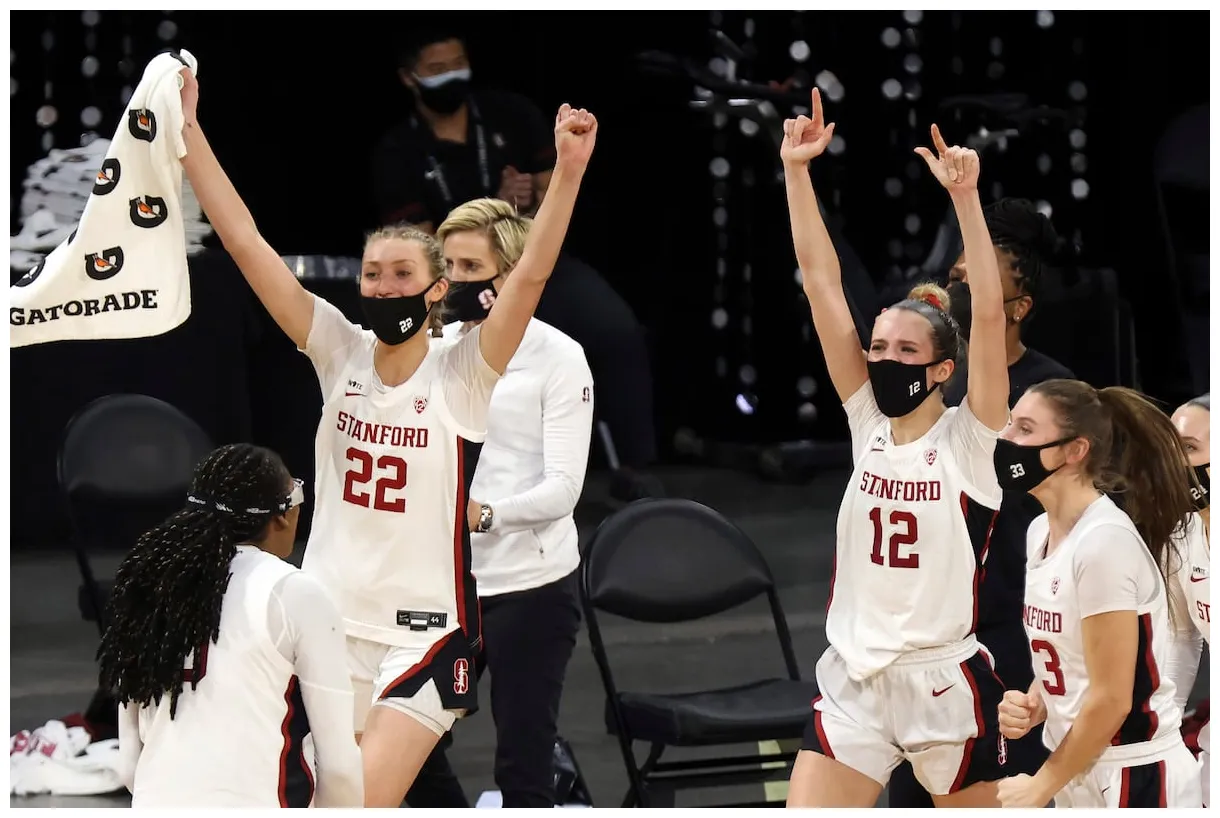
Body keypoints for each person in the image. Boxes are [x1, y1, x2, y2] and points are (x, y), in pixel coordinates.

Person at [175, 64, 598, 807]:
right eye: (373, 274)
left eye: (404, 272)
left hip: (423, 638)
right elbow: (245, 244)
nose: (384, 286)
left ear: (438, 288)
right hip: (329, 625)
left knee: (359, 803)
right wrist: (187, 132)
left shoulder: (462, 373)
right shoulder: (336, 348)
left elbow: (528, 277)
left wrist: (567, 171)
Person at [781, 90, 1010, 808]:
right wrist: (795, 170)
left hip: (941, 682)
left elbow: (992, 314)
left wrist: (967, 200)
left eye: (903, 350)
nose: (882, 360)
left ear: (943, 368)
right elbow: (822, 285)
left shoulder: (972, 440)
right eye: (876, 347)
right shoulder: (867, 423)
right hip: (854, 677)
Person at [370, 27, 661, 502]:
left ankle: (633, 465)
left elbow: (555, 198)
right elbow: (419, 244)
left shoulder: (511, 116)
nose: (452, 77)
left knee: (616, 329)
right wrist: (493, 214)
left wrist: (531, 199)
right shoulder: (398, 152)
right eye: (437, 70)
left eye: (458, 63)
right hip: (462, 281)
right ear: (409, 78)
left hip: (536, 263)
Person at [405, 197, 593, 808]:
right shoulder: (433, 349)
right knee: (409, 743)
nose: (451, 280)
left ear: (509, 275)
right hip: (441, 584)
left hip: (528, 587)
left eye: (466, 267)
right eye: (445, 264)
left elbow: (565, 489)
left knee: (523, 760)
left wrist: (483, 516)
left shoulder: (558, 358)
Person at [888, 198, 1075, 809]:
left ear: (1016, 307)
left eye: (981, 282)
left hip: (1008, 631)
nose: (959, 288)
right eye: (958, 277)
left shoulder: (1055, 398)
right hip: (918, 634)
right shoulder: (919, 383)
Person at [97, 443, 363, 807]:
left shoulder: (147, 587)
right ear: (281, 515)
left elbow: (130, 766)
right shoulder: (295, 592)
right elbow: (340, 768)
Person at [993, 380, 1203, 808]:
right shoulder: (1039, 532)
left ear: (1075, 451)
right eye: (1011, 425)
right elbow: (1076, 654)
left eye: (1025, 429)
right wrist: (1039, 699)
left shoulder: (1103, 544)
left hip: (1133, 771)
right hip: (1080, 762)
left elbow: (1111, 700)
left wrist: (1041, 784)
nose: (1006, 439)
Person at [1164, 393, 1210, 806]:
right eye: (1172, 449)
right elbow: (1182, 635)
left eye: (1190, 449)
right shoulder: (1180, 535)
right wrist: (1165, 724)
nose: (1178, 464)